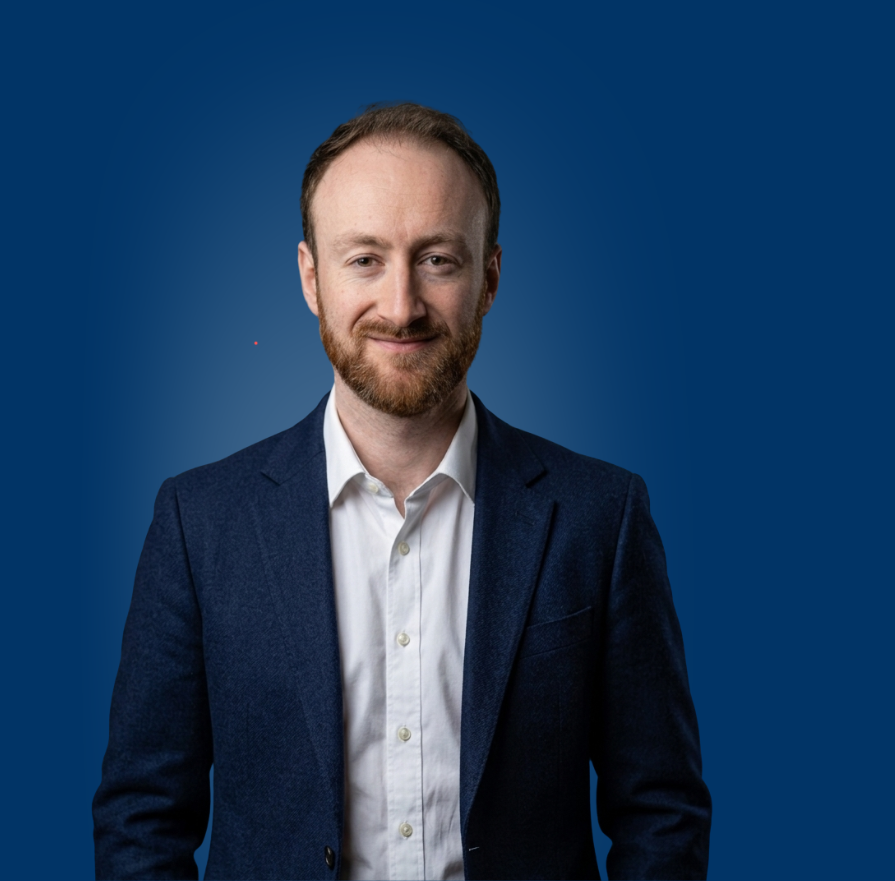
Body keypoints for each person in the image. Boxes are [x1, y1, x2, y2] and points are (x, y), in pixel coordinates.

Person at [92, 103, 712, 881]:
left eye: (438, 260)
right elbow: (142, 820)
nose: (400, 306)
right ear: (311, 278)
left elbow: (661, 812)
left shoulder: (602, 517)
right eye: (364, 259)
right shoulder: (198, 524)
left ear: (489, 278)